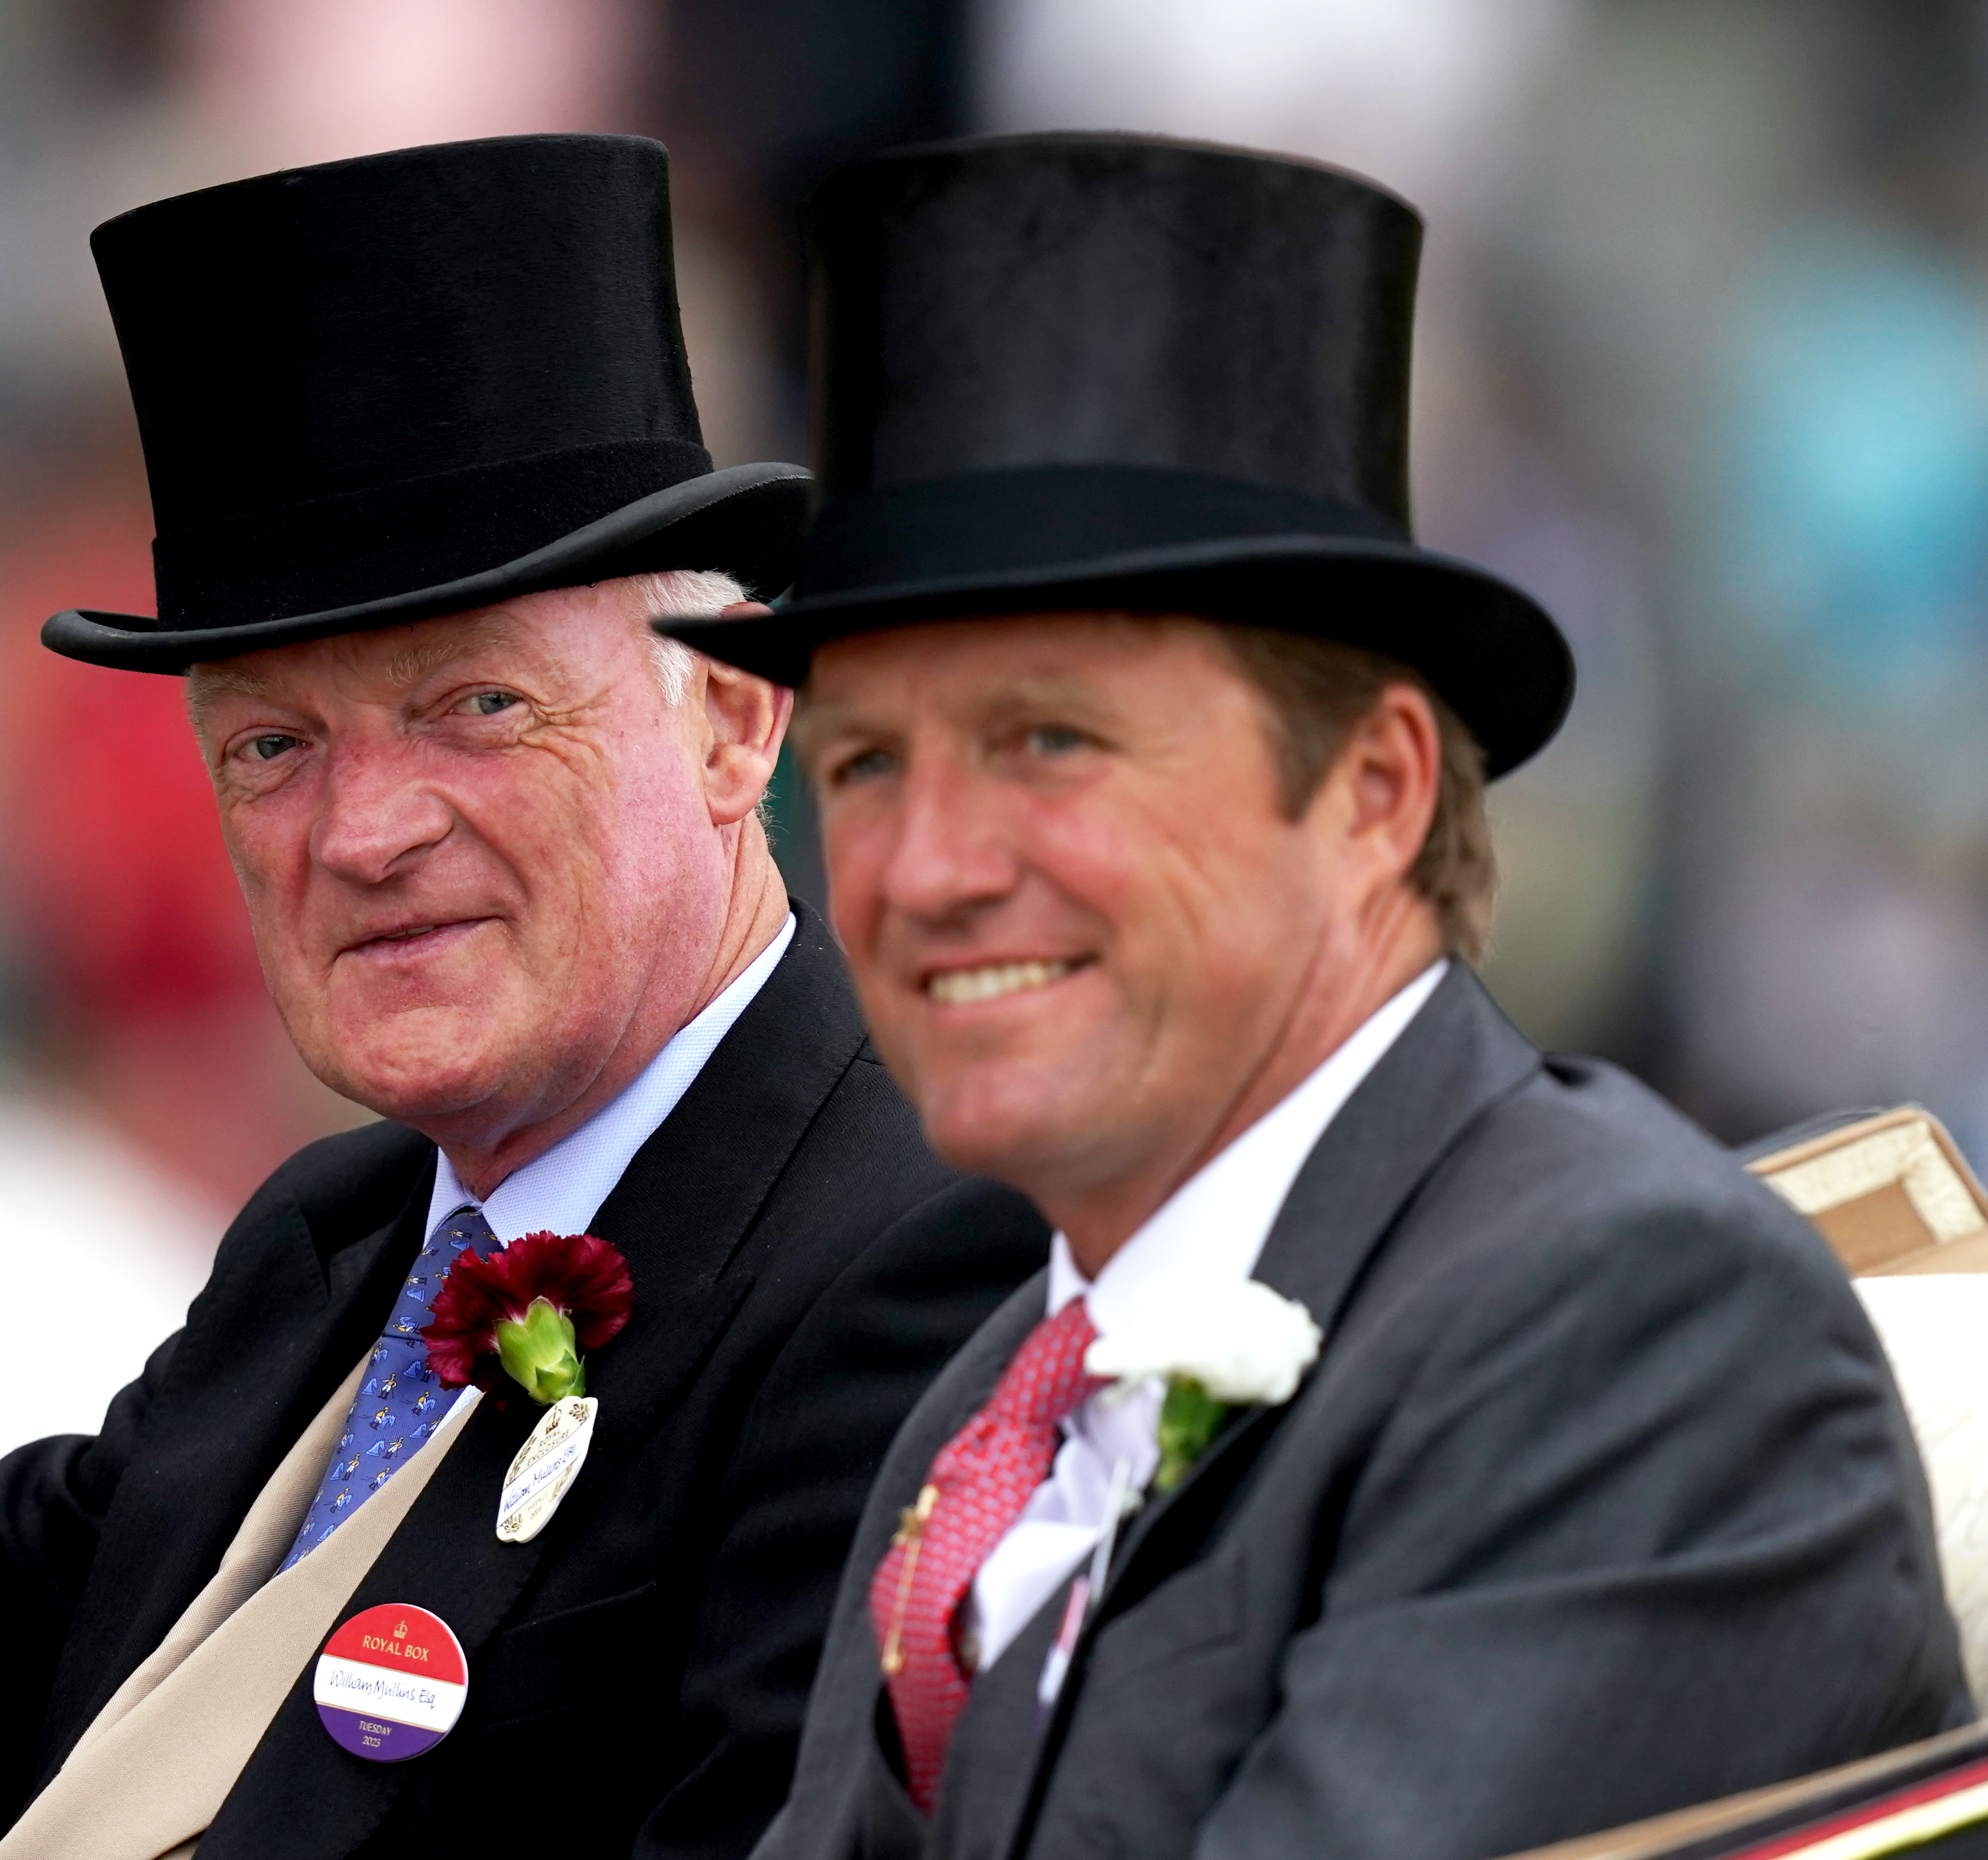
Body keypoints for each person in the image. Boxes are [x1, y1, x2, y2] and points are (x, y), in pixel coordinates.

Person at [0, 135, 1048, 1860]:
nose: (364, 831)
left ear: (732, 722)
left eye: (475, 706)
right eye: (271, 744)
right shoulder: (325, 1255)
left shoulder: (934, 1256)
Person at [662, 133, 1969, 1860]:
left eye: (1044, 741)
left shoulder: (1630, 1325)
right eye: (866, 763)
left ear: (1374, 791)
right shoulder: (996, 1390)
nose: (922, 866)